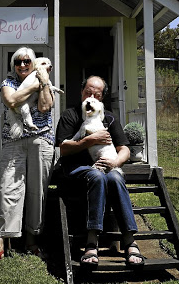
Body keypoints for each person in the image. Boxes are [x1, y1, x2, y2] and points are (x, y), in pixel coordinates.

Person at [56, 75, 144, 268]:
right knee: (96, 176)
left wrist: (115, 162)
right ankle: (91, 242)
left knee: (115, 177)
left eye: (96, 94)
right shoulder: (69, 115)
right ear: (81, 92)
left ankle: (130, 241)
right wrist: (90, 140)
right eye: (88, 92)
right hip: (77, 169)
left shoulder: (110, 118)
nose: (91, 97)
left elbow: (125, 149)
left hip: (106, 167)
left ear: (102, 98)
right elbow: (63, 148)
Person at [0, 47, 55, 263]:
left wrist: (43, 82)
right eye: (18, 62)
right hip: (13, 141)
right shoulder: (7, 83)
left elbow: (45, 106)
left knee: (36, 191)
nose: (22, 65)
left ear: (33, 63)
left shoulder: (44, 80)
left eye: (27, 61)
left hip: (41, 140)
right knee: (7, 189)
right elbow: (11, 101)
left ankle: (31, 240)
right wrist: (35, 84)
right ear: (13, 65)